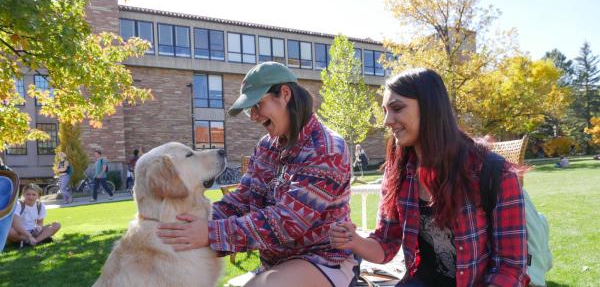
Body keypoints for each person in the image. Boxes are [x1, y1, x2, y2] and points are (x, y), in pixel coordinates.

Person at [157, 62, 355, 287]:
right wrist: (192, 223)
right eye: (250, 109)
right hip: (277, 264)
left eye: (257, 105)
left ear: (285, 94)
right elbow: (242, 200)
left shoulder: (327, 149)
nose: (253, 117)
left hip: (324, 259)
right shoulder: (266, 146)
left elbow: (287, 222)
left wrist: (210, 233)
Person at [329, 68, 529, 286]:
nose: (387, 121)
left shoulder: (494, 173)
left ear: (429, 108)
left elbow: (510, 267)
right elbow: (385, 244)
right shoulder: (398, 171)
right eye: (385, 110)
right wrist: (352, 240)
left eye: (396, 108)